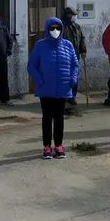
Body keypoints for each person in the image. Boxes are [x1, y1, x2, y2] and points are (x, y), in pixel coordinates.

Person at [27, 17, 79, 159]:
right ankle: (46, 147)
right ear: (47, 29)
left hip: (62, 89)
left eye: (58, 28)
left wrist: (73, 78)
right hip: (46, 89)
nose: (55, 31)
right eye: (52, 28)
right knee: (47, 119)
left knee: (59, 119)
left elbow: (75, 64)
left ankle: (59, 146)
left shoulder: (68, 45)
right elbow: (31, 66)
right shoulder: (40, 45)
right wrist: (39, 80)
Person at [61, 6, 87, 106]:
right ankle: (64, 96)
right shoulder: (61, 26)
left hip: (75, 55)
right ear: (68, 14)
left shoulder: (77, 27)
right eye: (73, 15)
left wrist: (83, 51)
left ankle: (72, 96)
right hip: (64, 56)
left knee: (74, 76)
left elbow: (82, 39)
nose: (74, 17)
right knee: (64, 77)